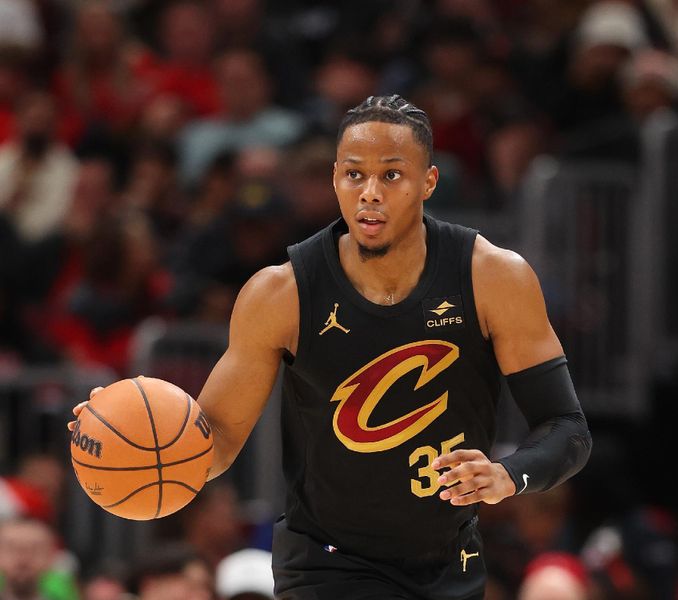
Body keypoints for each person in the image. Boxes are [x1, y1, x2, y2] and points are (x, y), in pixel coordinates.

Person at [70, 95, 592, 600]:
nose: (369, 191)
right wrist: (117, 437)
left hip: (448, 558)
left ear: (428, 181)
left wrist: (508, 475)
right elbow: (214, 443)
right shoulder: (281, 293)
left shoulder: (493, 277)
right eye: (353, 173)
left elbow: (567, 428)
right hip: (326, 560)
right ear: (334, 180)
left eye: (391, 174)